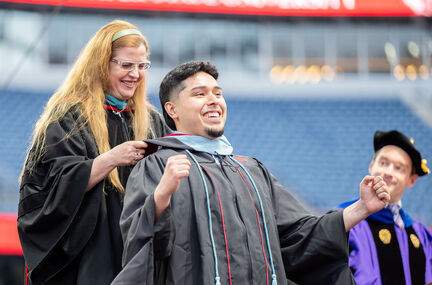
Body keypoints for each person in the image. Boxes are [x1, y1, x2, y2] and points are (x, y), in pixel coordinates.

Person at [113, 61, 390, 285]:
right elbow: (142, 251)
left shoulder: (251, 171)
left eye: (217, 93)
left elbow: (298, 235)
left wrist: (361, 208)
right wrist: (162, 195)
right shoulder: (158, 167)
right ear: (171, 109)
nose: (213, 100)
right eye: (199, 94)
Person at [17, 20, 169, 284]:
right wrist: (111, 158)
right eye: (126, 65)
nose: (135, 74)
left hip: (136, 251)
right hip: (88, 255)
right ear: (102, 64)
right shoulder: (69, 117)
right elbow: (51, 189)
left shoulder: (152, 121)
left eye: (142, 66)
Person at [340, 130, 431, 285]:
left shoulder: (419, 233)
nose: (388, 172)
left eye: (399, 168)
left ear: (411, 180)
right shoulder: (345, 221)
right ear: (371, 166)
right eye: (383, 163)